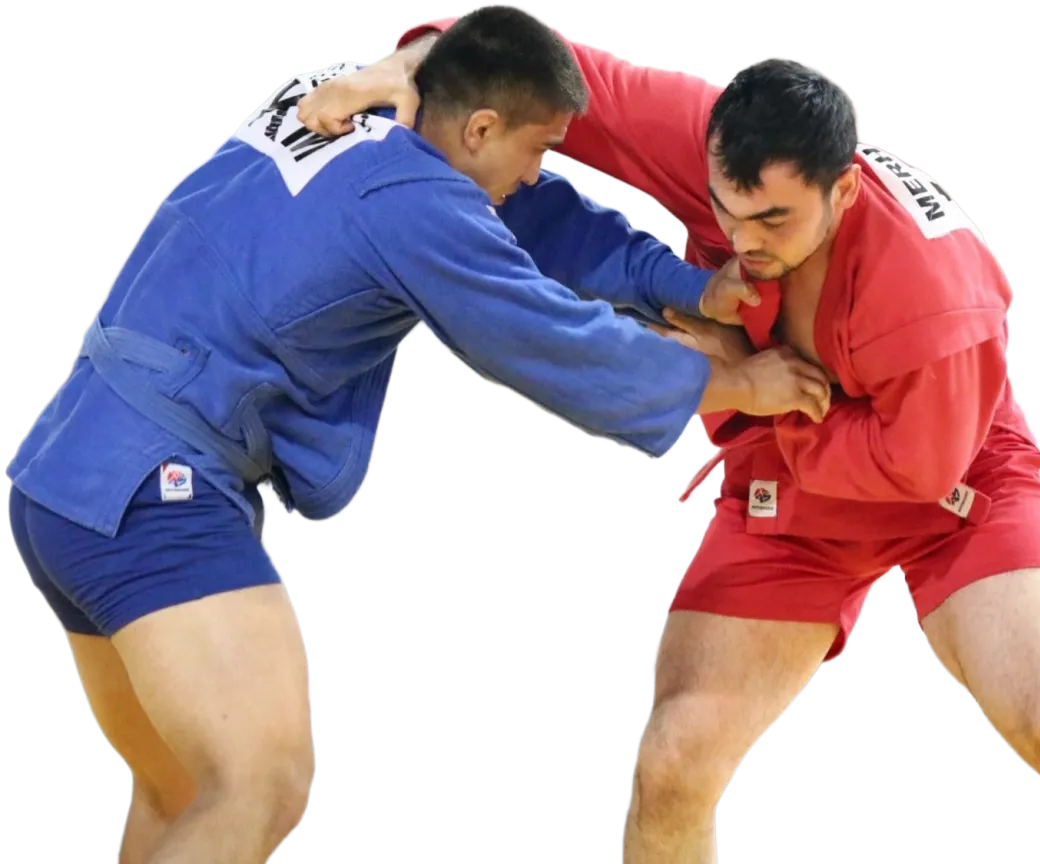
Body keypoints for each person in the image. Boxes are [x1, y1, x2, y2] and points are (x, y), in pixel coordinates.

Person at [300, 16, 1040, 864]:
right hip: (798, 484)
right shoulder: (707, 137)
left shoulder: (936, 296)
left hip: (953, 482)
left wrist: (750, 392)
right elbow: (526, 55)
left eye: (775, 224)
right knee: (673, 765)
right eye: (730, 211)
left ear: (842, 188)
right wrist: (402, 69)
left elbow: (918, 469)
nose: (743, 242)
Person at [4, 8, 833, 864]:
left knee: (181, 790)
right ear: (480, 126)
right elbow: (547, 337)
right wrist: (734, 381)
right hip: (153, 487)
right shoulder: (415, 206)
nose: (542, 170)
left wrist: (684, 285)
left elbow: (535, 219)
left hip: (67, 475)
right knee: (259, 783)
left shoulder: (339, 101)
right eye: (540, 148)